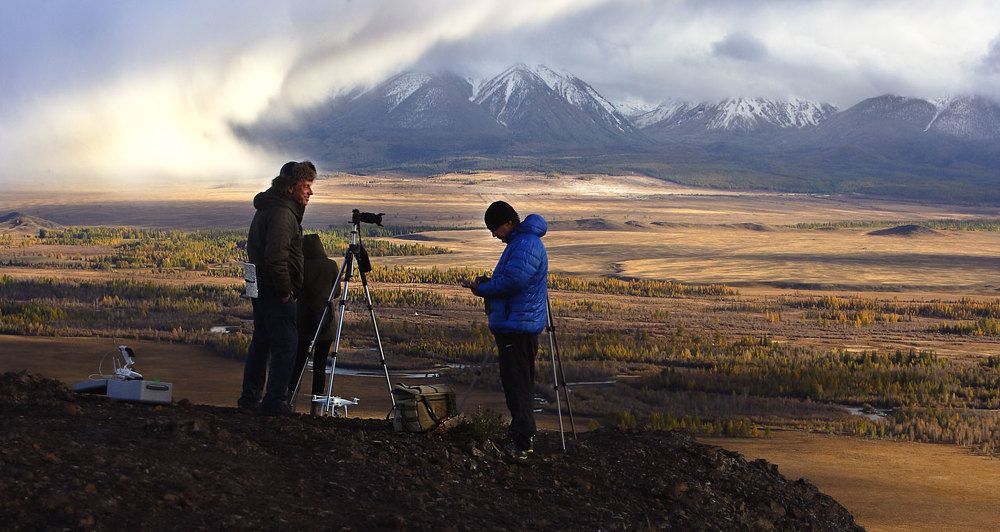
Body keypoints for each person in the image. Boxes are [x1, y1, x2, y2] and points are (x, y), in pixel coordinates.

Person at [462, 200, 549, 459]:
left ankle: (522, 442)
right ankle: (519, 433)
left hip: (517, 327)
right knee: (515, 382)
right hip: (515, 324)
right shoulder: (520, 243)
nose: (494, 235)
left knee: (518, 385)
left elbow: (514, 281)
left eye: (495, 228)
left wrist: (483, 289)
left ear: (510, 222)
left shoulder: (526, 244)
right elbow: (513, 278)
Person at [238, 160, 316, 415]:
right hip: (272, 285)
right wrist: (285, 291)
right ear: (291, 187)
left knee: (262, 340)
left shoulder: (270, 206)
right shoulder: (282, 213)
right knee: (286, 342)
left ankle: (250, 399)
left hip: (257, 281)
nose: (310, 192)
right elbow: (276, 256)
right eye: (306, 186)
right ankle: (275, 402)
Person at [287, 233, 340, 414]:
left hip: (303, 323)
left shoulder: (300, 266)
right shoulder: (331, 265)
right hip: (325, 323)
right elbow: (337, 292)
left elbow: (294, 291)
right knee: (320, 365)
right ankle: (316, 407)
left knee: (298, 362)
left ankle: (290, 399)